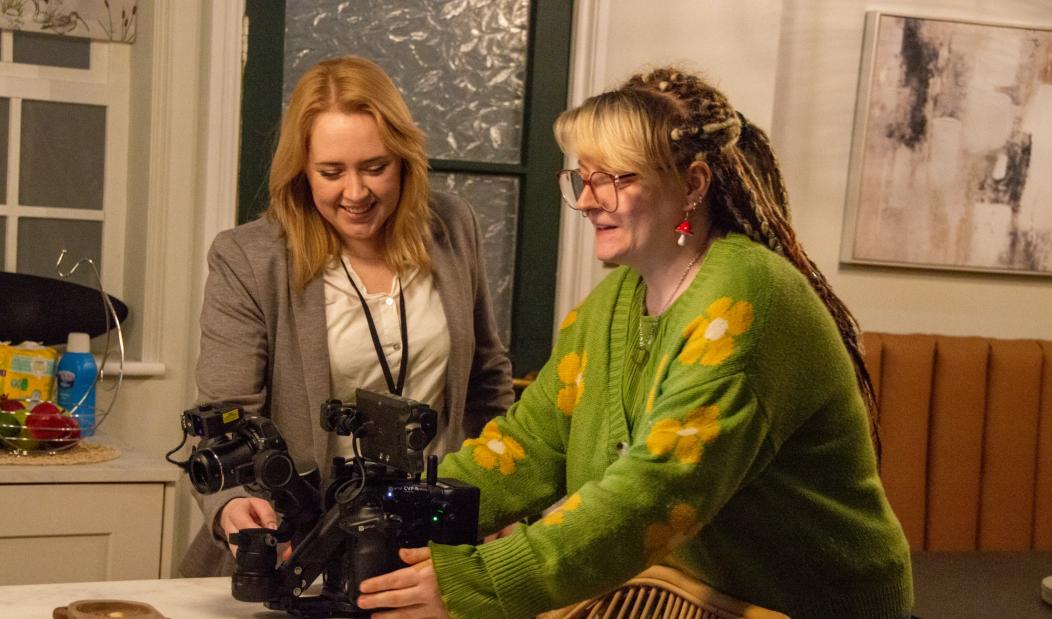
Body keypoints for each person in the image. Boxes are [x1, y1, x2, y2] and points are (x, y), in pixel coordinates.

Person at [356, 67, 913, 618]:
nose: (590, 200)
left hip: (802, 604)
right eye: (583, 177)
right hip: (683, 591)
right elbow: (528, 448)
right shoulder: (611, 304)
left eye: (617, 179)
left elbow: (652, 492)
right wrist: (373, 513)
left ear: (693, 185)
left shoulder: (747, 302)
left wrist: (475, 584)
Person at [179, 56, 514, 577]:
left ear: (405, 159)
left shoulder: (453, 226)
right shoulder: (249, 257)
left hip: (429, 553)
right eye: (331, 172)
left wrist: (505, 497)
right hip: (298, 547)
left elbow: (485, 385)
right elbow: (226, 418)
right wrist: (231, 505)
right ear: (301, 171)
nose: (355, 194)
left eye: (375, 168)